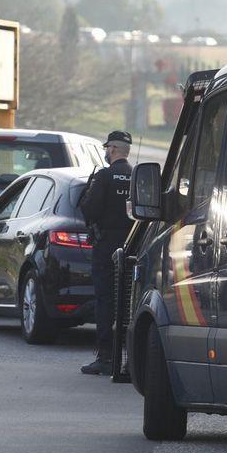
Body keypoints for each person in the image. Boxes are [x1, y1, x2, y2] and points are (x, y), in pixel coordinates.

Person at [79, 130, 134, 375]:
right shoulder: (137, 177)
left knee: (105, 301)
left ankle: (105, 358)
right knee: (130, 303)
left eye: (106, 148)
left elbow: (89, 211)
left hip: (106, 247)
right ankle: (130, 360)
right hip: (133, 246)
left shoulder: (104, 176)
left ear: (112, 149)